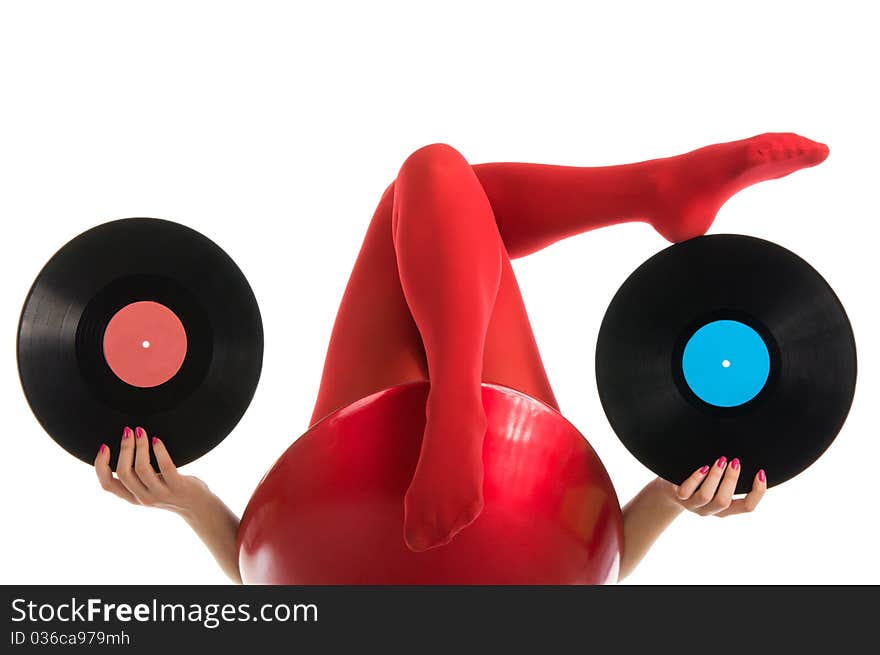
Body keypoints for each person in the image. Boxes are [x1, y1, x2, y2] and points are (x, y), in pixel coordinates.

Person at [94, 133, 829, 583]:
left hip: (344, 529)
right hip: (496, 518)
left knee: (431, 189)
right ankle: (653, 192)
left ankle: (655, 192)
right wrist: (673, 494)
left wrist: (184, 498)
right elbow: (586, 581)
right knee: (437, 178)